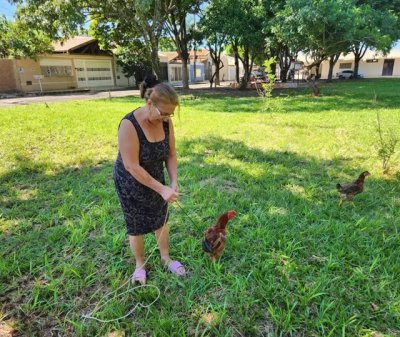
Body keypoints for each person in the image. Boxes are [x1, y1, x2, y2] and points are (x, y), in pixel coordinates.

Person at [113, 82, 185, 285]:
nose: (167, 118)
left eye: (170, 115)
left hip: (155, 175)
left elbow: (171, 154)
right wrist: (161, 189)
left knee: (160, 218)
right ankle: (140, 265)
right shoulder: (129, 125)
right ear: (150, 103)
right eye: (164, 113)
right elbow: (132, 166)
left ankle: (165, 258)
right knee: (135, 223)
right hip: (130, 179)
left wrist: (172, 182)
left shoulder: (165, 122)